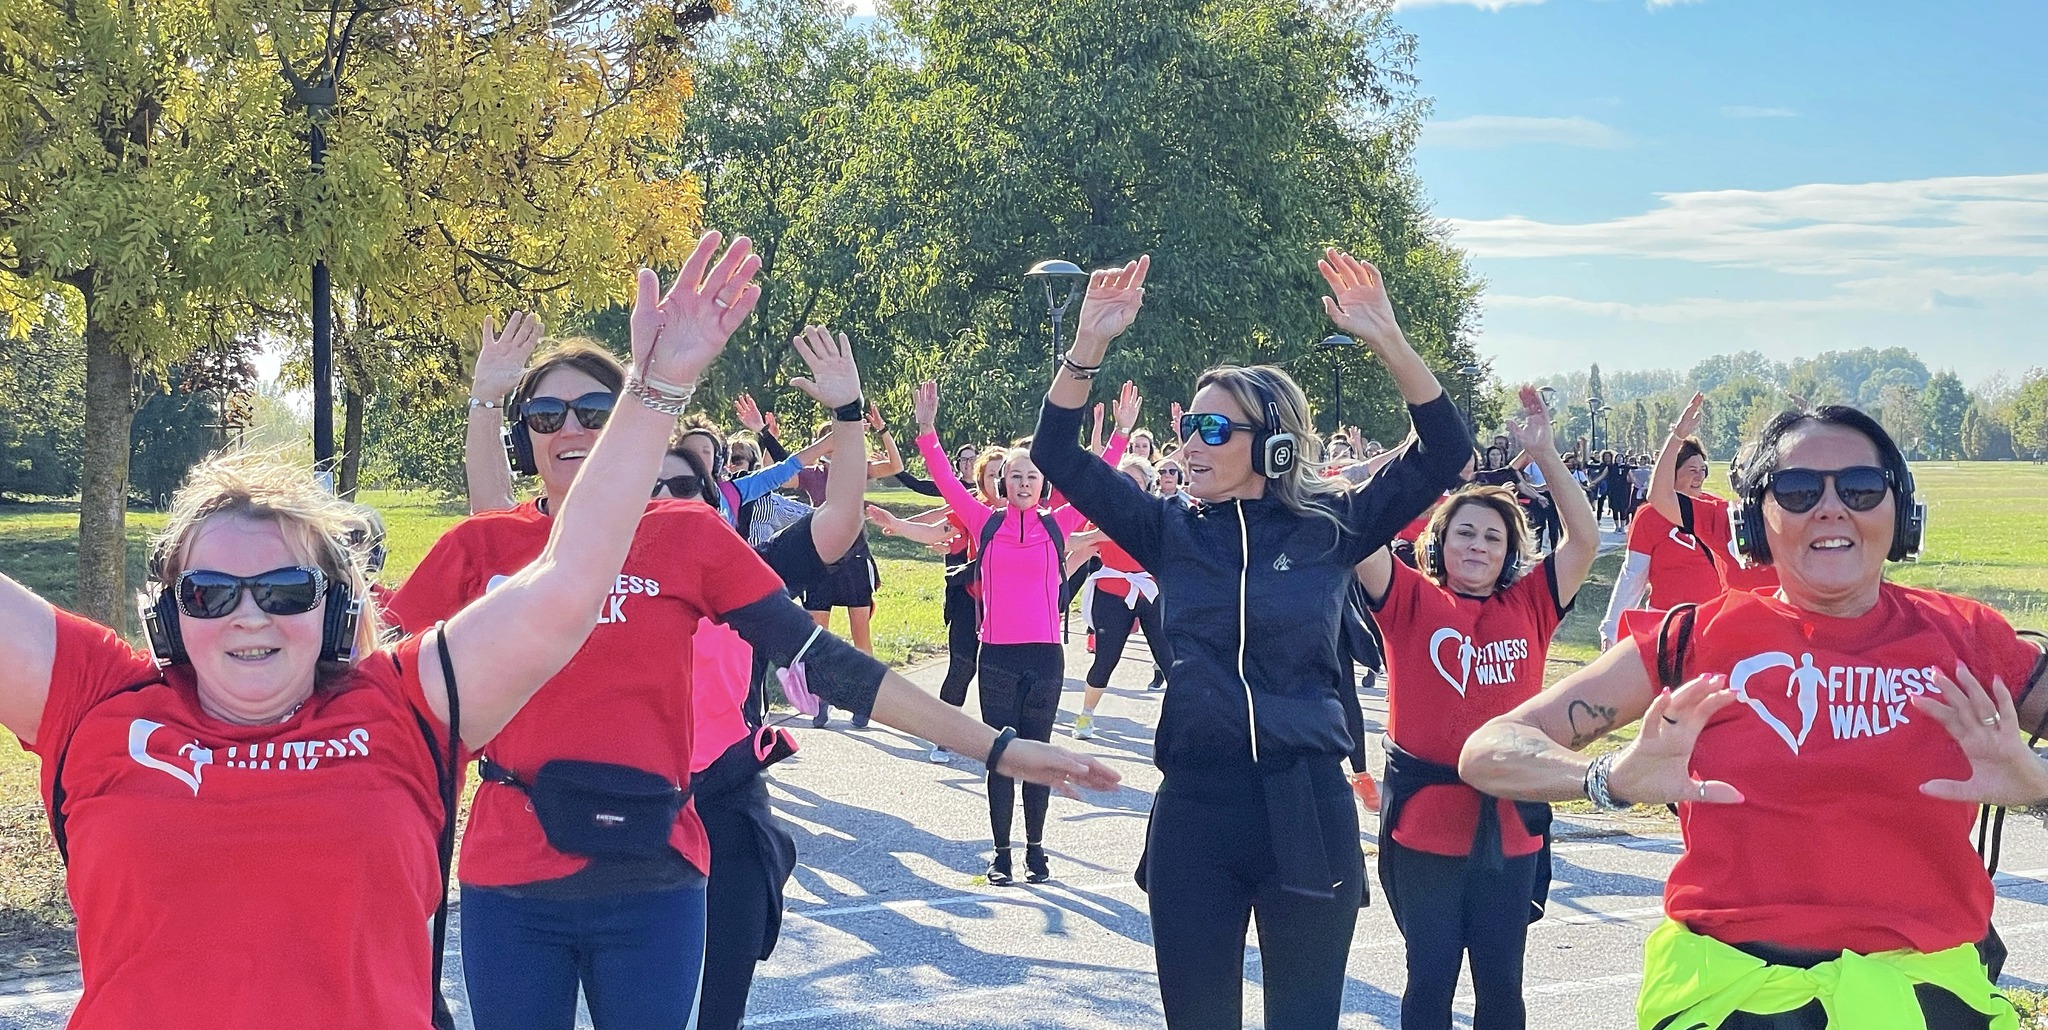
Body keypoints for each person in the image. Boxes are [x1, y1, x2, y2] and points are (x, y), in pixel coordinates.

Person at [0, 240, 768, 1028]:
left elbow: (567, 581)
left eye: (286, 589)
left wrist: (657, 388)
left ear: (335, 610)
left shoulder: (404, 708)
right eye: (209, 592)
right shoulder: (96, 704)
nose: (249, 614)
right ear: (170, 615)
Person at [398, 240, 1118, 1029]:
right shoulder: (484, 547)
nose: (568, 429)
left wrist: (1000, 748)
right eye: (544, 416)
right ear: (524, 435)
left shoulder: (688, 537)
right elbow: (366, 692)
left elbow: (829, 664)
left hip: (655, 878)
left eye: (595, 412)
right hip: (512, 879)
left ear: (628, 424)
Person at [1461, 404, 2047, 1030]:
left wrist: (2037, 784)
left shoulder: (1967, 637)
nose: (1830, 507)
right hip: (1734, 999)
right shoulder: (1694, 638)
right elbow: (1489, 749)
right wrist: (1609, 779)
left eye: (1860, 487)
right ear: (1754, 520)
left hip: (1924, 996)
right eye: (1797, 490)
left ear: (1900, 512)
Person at [1031, 249, 1472, 1029]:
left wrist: (1390, 340)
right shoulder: (1167, 528)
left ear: (1271, 444)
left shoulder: (1330, 524)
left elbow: (1445, 451)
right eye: (1186, 425)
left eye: (1210, 428)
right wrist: (1088, 346)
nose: (1189, 443)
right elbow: (1056, 454)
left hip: (1309, 809)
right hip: (1197, 811)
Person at [1356, 387, 1599, 1030]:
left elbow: (1584, 538)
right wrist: (1414, 459)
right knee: (1428, 981)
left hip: (1511, 829)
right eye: (1464, 532)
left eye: (1492, 537)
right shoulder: (1408, 598)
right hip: (1424, 828)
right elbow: (1361, 533)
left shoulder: (1531, 605)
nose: (1478, 545)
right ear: (1440, 541)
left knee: (1502, 986)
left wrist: (1545, 454)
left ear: (1508, 551)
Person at [913, 379, 1129, 885]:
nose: (1024, 484)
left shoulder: (1058, 524)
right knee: (1002, 756)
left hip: (1045, 656)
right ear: (1003, 484)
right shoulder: (984, 523)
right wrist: (927, 431)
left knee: (1041, 755)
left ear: (1043, 482)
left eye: (1032, 476)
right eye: (1015, 477)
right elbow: (945, 480)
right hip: (998, 657)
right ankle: (1001, 853)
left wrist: (1119, 434)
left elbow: (1098, 478)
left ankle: (1036, 850)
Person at [866, 445, 1008, 762]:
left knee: (1001, 674)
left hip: (1011, 608)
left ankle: (1003, 747)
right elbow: (934, 532)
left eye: (1005, 473)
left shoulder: (1031, 516)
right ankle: (943, 737)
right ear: (983, 480)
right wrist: (898, 524)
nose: (1000, 480)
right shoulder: (972, 510)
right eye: (993, 474)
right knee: (962, 667)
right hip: (970, 601)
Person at [1071, 447, 1173, 735]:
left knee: (1169, 659)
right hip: (1113, 591)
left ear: (1147, 487)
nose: (1128, 488)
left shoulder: (1159, 516)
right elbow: (1074, 548)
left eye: (1135, 482)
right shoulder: (1103, 516)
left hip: (1150, 591)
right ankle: (1086, 715)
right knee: (1106, 659)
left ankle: (1181, 722)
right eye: (1123, 480)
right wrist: (1051, 587)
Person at [1646, 392, 1783, 599]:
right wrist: (1676, 439)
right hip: (1735, 627)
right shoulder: (1723, 517)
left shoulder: (1809, 518)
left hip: (1792, 627)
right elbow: (1659, 497)